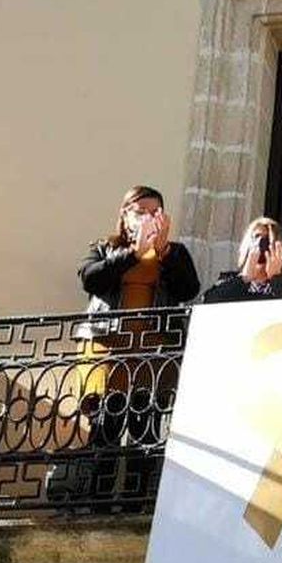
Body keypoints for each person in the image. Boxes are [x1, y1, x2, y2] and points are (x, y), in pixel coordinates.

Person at [63, 185, 200, 507]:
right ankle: (96, 505)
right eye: (140, 212)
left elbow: (187, 288)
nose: (147, 218)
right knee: (104, 431)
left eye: (155, 212)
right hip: (107, 354)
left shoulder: (174, 253)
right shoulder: (104, 248)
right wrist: (133, 254)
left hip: (152, 357)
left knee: (146, 432)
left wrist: (162, 252)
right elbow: (90, 278)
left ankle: (135, 505)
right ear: (124, 216)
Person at [202, 218, 282, 302]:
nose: (261, 244)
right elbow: (208, 303)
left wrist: (277, 279)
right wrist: (244, 278)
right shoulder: (228, 280)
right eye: (256, 237)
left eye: (267, 240)